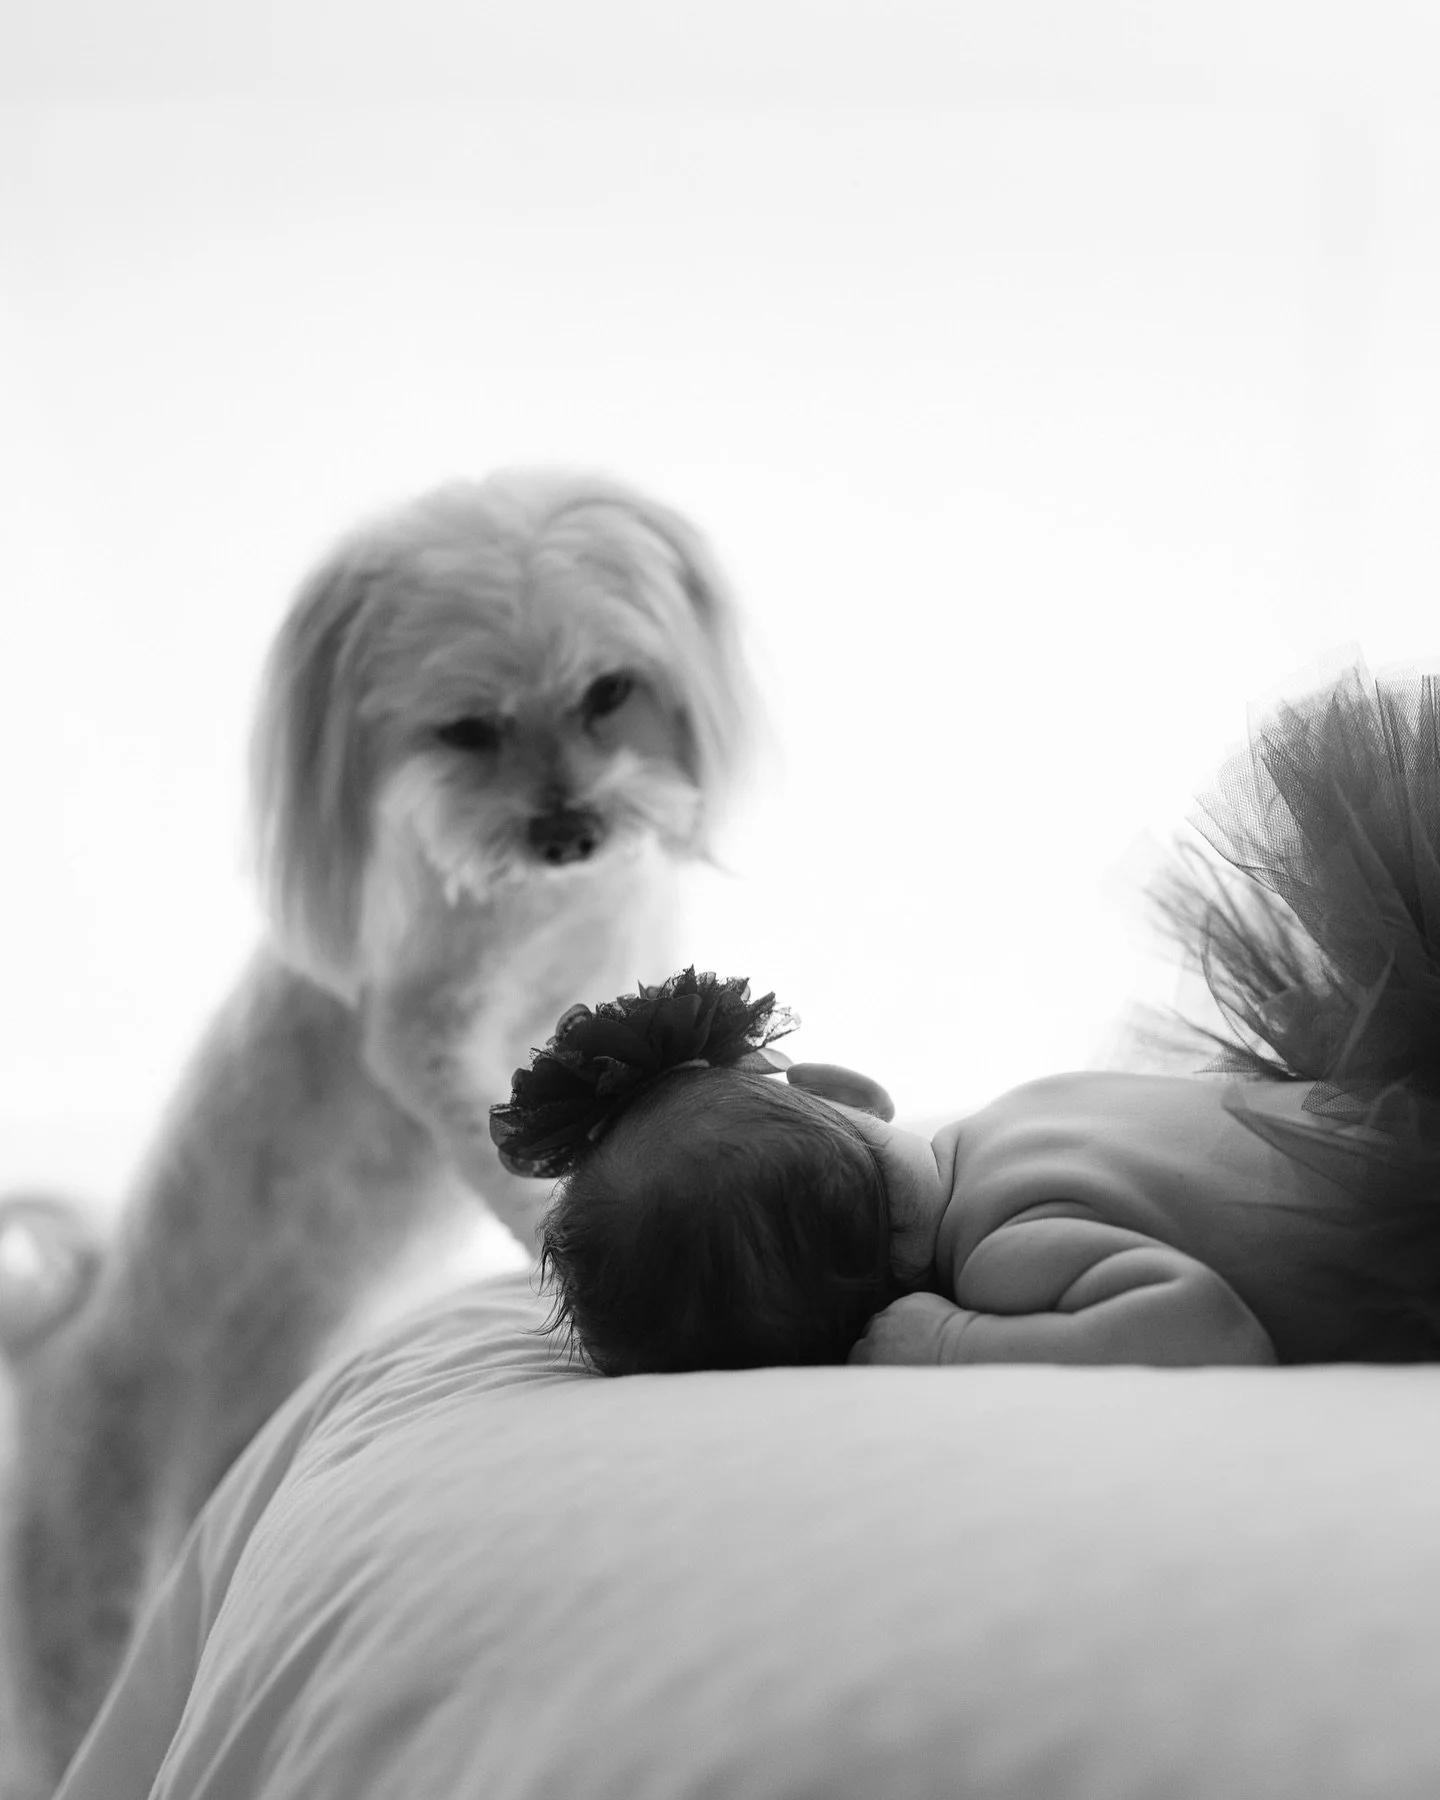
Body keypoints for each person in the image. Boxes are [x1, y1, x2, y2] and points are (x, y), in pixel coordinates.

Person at [491, 662, 1440, 1374]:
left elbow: (1209, 1334)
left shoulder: (1006, 1252)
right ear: (845, 1091)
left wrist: (952, 1344)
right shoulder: (1021, 1121)